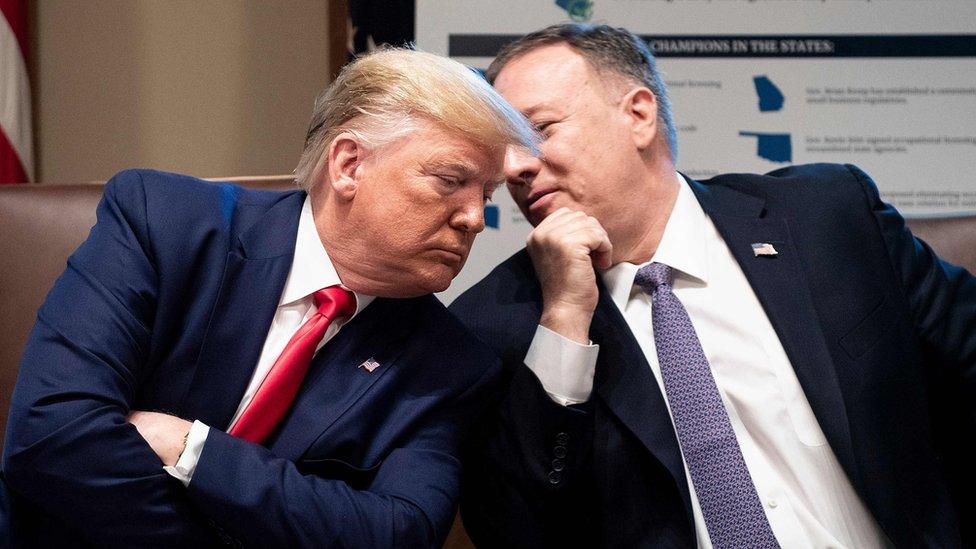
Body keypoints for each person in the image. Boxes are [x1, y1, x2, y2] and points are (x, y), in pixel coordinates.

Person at [449, 24, 976, 548]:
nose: (515, 167)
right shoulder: (497, 322)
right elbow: (515, 528)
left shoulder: (827, 219)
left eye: (539, 130)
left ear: (638, 115)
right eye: (507, 149)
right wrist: (563, 319)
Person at [1, 48, 536, 547]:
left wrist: (194, 450)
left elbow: (398, 533)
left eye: (484, 195)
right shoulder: (164, 224)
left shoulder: (451, 364)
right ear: (350, 165)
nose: (475, 218)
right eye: (449, 181)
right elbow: (52, 438)